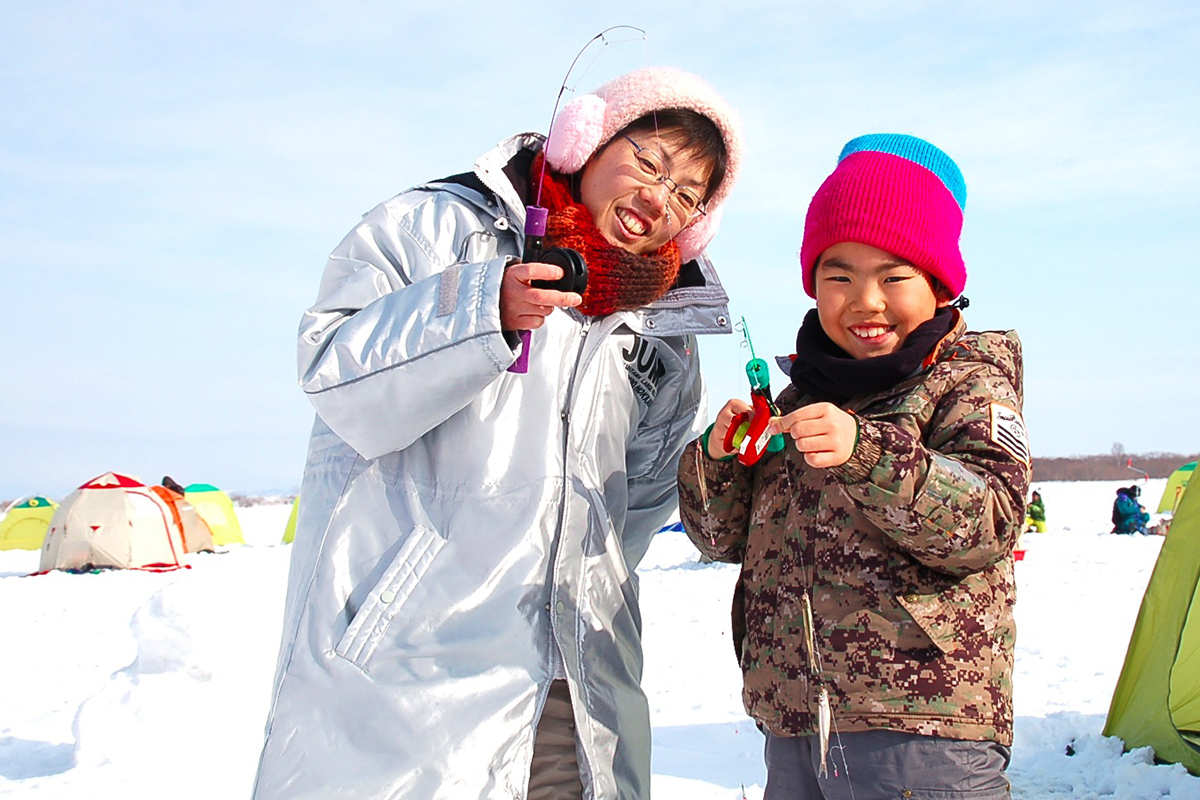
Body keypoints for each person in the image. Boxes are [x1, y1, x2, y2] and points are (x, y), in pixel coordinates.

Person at [251, 67, 743, 800]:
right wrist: (482, 308)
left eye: (686, 195)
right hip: (401, 673)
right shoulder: (439, 227)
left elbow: (637, 499)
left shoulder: (664, 326)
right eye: (649, 162)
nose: (658, 199)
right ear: (589, 137)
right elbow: (333, 371)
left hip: (571, 683)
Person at [677, 134, 1031, 799]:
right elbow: (719, 540)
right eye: (839, 276)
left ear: (939, 285)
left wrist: (865, 453)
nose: (864, 300)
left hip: (922, 729)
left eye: (894, 276)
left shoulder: (966, 386)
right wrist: (720, 460)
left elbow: (990, 521)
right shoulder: (799, 397)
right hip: (795, 724)